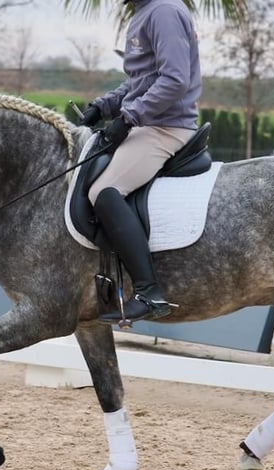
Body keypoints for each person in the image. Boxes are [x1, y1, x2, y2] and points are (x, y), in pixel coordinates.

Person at [80, 0, 202, 324]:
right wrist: (103, 107)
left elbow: (175, 79)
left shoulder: (164, 11)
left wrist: (130, 116)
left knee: (103, 191)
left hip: (165, 128)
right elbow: (140, 82)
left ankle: (149, 291)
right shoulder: (143, 13)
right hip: (147, 123)